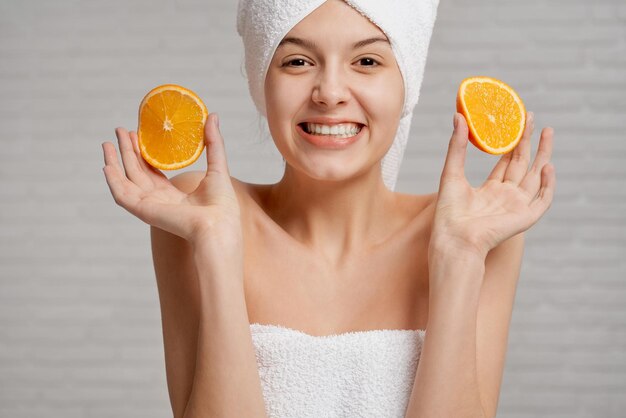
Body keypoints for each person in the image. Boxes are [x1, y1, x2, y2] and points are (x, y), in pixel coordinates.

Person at [101, 0, 556, 417]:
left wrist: (460, 256)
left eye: (367, 61)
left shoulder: (476, 229)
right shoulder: (202, 212)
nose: (330, 92)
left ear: (406, 86)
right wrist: (216, 251)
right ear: (263, 83)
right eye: (297, 61)